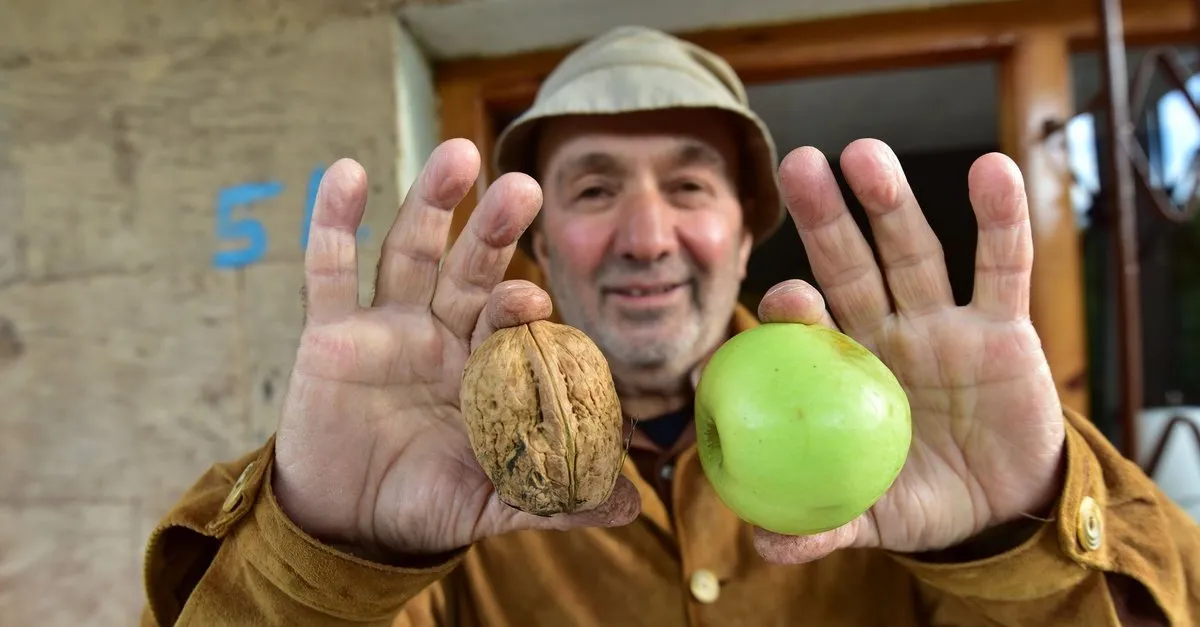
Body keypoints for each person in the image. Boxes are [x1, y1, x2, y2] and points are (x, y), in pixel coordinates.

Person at [140, 25, 1200, 626]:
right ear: (542, 243)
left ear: (747, 235)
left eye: (690, 188)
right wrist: (327, 549)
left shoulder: (910, 453)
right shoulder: (445, 477)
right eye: (594, 190)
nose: (647, 237)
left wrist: (1012, 540)